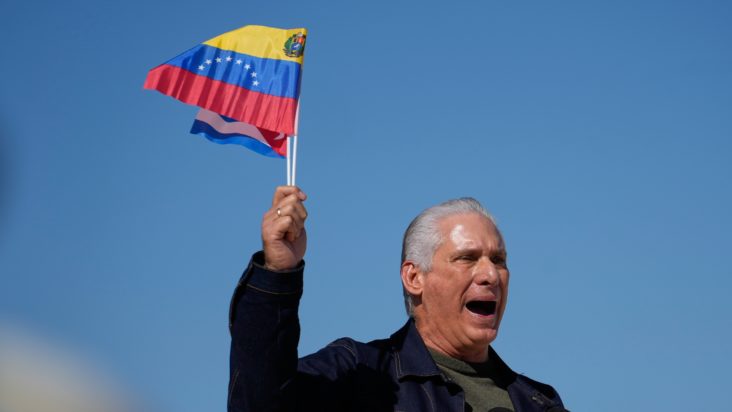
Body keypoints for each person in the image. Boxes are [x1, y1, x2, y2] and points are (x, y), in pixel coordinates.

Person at [228, 186, 567, 412]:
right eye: (467, 258)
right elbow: (259, 403)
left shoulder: (538, 402)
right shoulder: (360, 374)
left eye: (499, 260)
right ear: (414, 277)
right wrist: (277, 273)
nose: (490, 275)